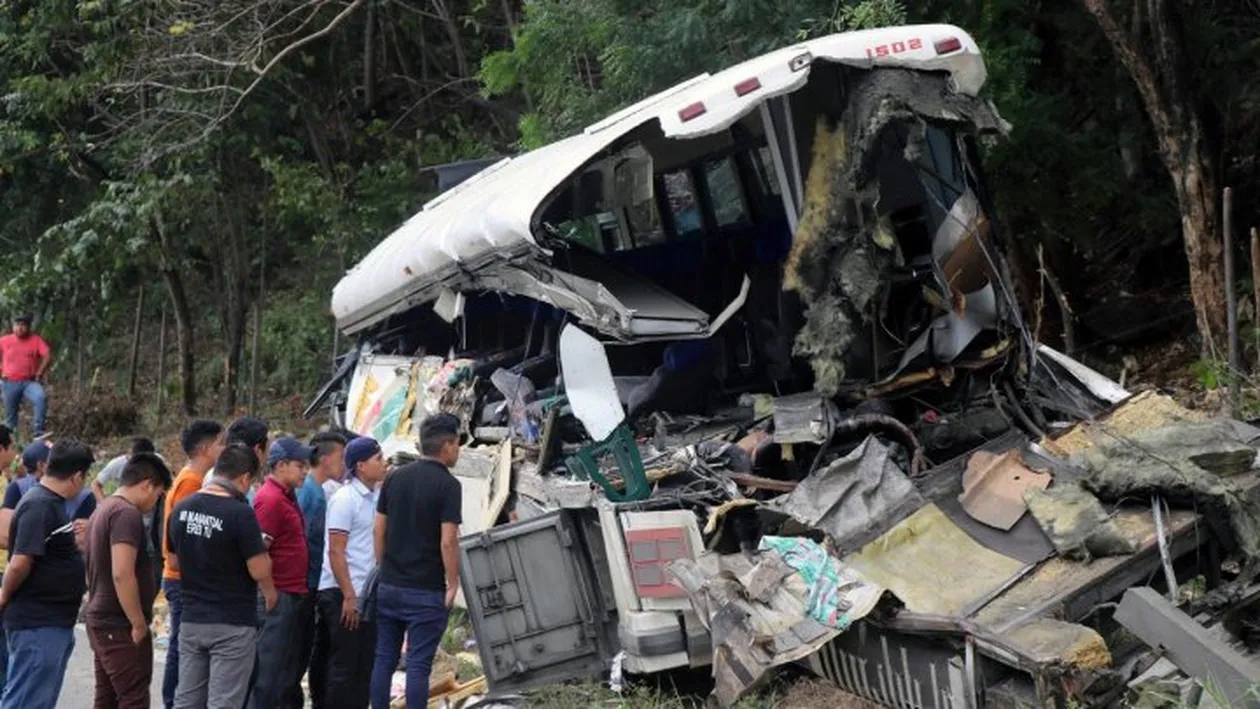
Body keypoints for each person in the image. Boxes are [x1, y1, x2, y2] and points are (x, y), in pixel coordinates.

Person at [167, 444, 276, 709]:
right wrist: (270, 591)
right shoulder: (240, 514)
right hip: (232, 624)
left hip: (192, 620)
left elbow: (173, 561)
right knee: (224, 702)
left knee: (187, 701)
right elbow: (258, 569)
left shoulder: (182, 508)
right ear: (245, 478)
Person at [370, 414, 464, 709]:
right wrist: (453, 583)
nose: (458, 450)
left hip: (390, 585)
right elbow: (448, 541)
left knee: (384, 658)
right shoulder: (448, 485)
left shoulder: (395, 477)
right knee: (419, 665)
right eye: (457, 444)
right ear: (446, 446)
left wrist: (384, 567)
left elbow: (378, 529)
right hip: (426, 590)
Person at [0, 439, 93, 709]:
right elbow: (20, 562)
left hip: (53, 622)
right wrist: (4, 595)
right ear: (77, 476)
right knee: (25, 702)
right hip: (38, 624)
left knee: (38, 701)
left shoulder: (51, 504)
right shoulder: (39, 505)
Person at [84, 453, 173, 709]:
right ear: (146, 485)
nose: (156, 503)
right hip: (118, 622)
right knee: (134, 697)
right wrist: (137, 623)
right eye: (158, 495)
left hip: (101, 617)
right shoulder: (126, 514)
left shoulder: (103, 509)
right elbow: (121, 573)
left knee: (108, 698)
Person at [160, 420, 225, 709]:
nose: (224, 449)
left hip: (181, 574)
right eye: (221, 444)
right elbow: (185, 533)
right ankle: (174, 701)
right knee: (182, 649)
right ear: (206, 448)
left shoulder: (192, 478)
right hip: (180, 575)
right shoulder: (191, 482)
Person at [318, 437, 384, 708]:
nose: (384, 464)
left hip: (365, 593)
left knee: (363, 665)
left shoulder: (375, 497)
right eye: (378, 459)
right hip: (343, 592)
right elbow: (336, 551)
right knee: (344, 665)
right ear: (360, 466)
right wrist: (349, 595)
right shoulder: (345, 499)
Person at [247, 436, 312, 709]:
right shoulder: (271, 499)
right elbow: (258, 551)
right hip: (278, 595)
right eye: (300, 465)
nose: (305, 471)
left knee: (285, 672)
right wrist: (269, 592)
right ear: (281, 465)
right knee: (268, 675)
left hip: (292, 592)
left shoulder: (286, 496)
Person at [294, 431, 347, 709]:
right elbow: (304, 542)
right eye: (341, 457)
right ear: (325, 459)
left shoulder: (319, 490)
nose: (344, 463)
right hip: (306, 582)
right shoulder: (311, 494)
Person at [0, 314, 50, 439]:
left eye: (23, 325)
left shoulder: (35, 340)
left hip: (29, 382)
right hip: (9, 382)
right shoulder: (5, 340)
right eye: (17, 325)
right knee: (10, 419)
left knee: (40, 397)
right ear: (13, 326)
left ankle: (38, 432)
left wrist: (39, 372)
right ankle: (12, 442)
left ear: (28, 327)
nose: (20, 328)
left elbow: (47, 354)